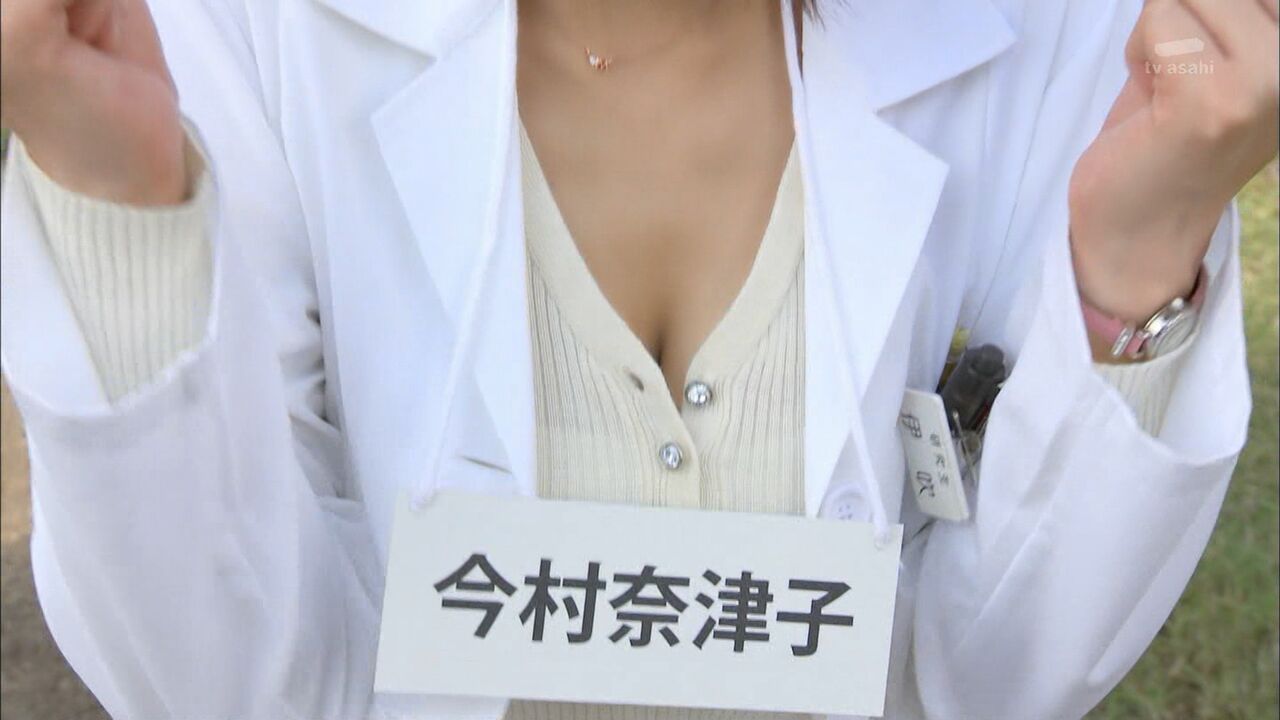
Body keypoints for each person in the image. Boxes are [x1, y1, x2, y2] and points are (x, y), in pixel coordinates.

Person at [0, 0, 1275, 718]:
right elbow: (227, 685)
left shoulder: (1061, 33)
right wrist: (124, 213)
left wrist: (1133, 262)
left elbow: (995, 681)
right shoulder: (236, 26)